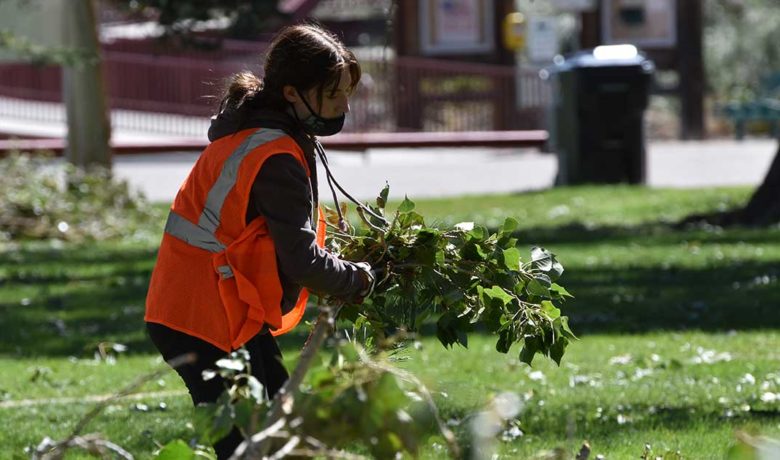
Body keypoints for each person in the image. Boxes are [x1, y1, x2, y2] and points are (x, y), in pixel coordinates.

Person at [144, 23, 374, 459]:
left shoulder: (254, 132)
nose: (345, 104)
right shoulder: (274, 155)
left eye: (347, 92)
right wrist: (359, 280)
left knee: (275, 434)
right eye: (334, 93)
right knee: (250, 448)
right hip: (202, 319)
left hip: (205, 310)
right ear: (292, 93)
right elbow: (302, 262)